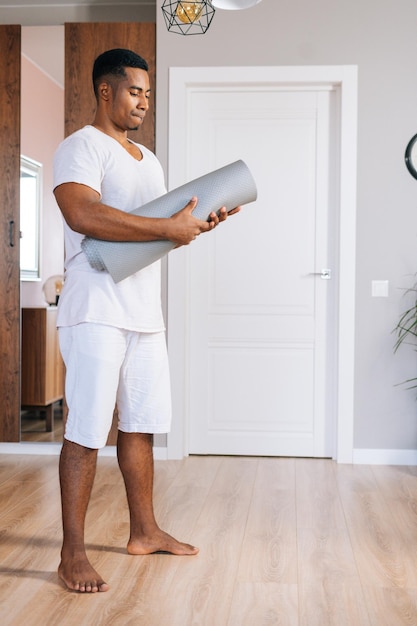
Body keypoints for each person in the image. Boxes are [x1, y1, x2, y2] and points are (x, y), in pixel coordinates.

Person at [53, 48, 240, 593]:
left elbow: (148, 237)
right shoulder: (81, 148)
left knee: (141, 424)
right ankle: (71, 554)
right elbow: (82, 214)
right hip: (95, 312)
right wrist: (166, 230)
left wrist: (193, 224)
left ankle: (145, 530)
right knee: (86, 429)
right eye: (135, 91)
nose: (143, 102)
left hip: (143, 314)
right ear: (105, 91)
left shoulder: (148, 159)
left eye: (149, 94)